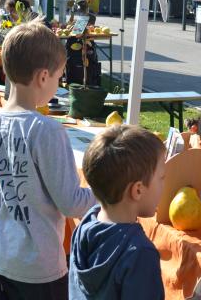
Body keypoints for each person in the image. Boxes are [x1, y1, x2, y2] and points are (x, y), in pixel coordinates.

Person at [0, 19, 95, 300]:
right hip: (41, 266)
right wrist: (107, 194)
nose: (60, 83)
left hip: (2, 256)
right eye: (60, 77)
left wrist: (0, 196)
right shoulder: (47, 130)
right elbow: (72, 203)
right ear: (42, 77)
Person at [69, 125, 166, 300]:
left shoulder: (85, 225)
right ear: (137, 190)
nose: (163, 185)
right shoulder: (140, 254)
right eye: (161, 178)